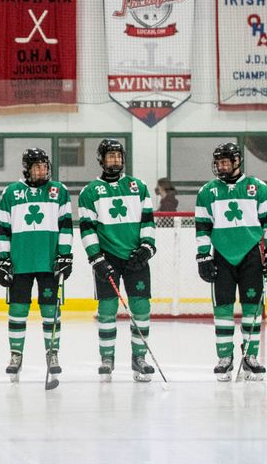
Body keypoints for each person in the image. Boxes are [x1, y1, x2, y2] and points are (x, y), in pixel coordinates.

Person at [197, 142, 267, 381]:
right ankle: (225, 357)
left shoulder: (258, 188)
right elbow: (202, 227)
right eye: (218, 162)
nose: (221, 166)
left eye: (225, 162)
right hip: (221, 256)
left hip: (251, 256)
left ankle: (250, 356)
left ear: (237, 161)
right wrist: (203, 255)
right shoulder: (207, 192)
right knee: (222, 308)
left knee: (252, 307)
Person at [77, 139, 158, 382]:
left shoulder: (138, 186)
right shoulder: (89, 192)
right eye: (110, 156)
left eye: (118, 155)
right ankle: (107, 358)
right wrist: (96, 258)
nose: (115, 160)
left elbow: (148, 220)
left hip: (136, 256)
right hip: (107, 257)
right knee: (107, 309)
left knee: (141, 308)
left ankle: (139, 357)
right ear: (101, 159)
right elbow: (87, 229)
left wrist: (146, 248)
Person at [0, 148, 73, 383]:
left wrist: (65, 255)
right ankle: (16, 354)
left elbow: (66, 226)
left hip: (50, 263)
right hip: (20, 263)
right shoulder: (11, 192)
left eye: (44, 166)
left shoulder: (59, 191)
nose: (42, 170)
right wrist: (3, 259)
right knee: (18, 310)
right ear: (27, 169)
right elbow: (3, 230)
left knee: (50, 310)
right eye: (37, 166)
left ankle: (52, 353)